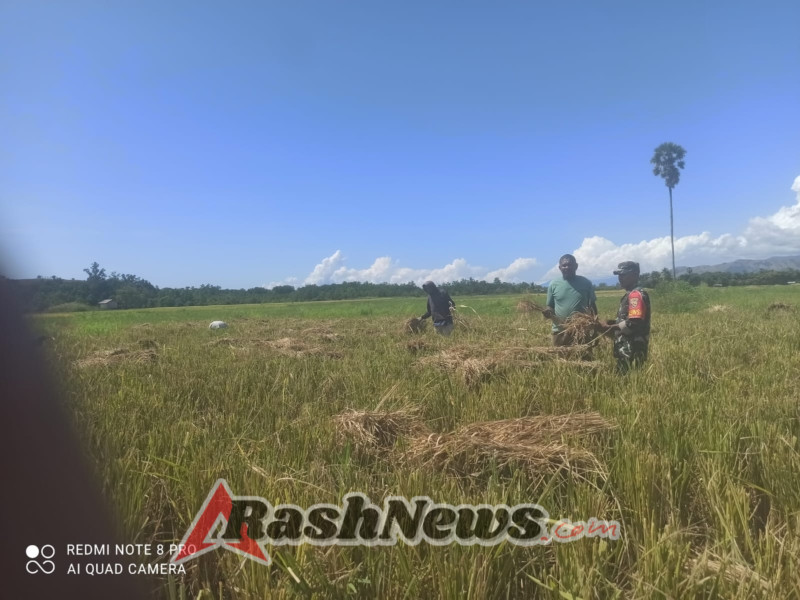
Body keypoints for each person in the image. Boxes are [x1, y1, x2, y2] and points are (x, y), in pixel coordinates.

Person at [604, 261, 651, 373]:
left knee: (629, 379)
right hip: (626, 349)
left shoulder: (635, 295)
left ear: (635, 275)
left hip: (631, 350)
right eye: (619, 275)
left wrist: (609, 328)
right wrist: (611, 322)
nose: (620, 278)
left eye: (623, 275)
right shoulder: (630, 294)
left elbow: (634, 323)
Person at [542, 254, 598, 346]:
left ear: (576, 266)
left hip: (581, 330)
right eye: (564, 265)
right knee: (561, 359)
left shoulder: (586, 283)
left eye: (570, 265)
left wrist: (595, 328)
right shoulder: (553, 284)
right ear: (560, 268)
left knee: (584, 358)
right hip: (559, 330)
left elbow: (592, 306)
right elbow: (550, 306)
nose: (567, 267)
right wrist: (548, 312)